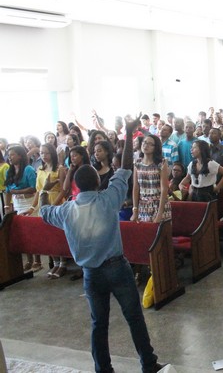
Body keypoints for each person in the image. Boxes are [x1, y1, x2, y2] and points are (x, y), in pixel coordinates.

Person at [40, 115, 166, 373]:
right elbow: (126, 168)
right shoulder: (108, 199)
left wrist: (43, 194)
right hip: (117, 268)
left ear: (77, 186)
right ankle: (149, 364)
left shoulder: (66, 211)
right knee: (134, 318)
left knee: (99, 324)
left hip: (90, 274)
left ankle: (103, 369)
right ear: (98, 182)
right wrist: (129, 134)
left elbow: (44, 212)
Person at [24, 143, 67, 277]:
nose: (44, 155)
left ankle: (63, 264)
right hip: (43, 202)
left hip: (56, 202)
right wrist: (33, 207)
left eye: (47, 153)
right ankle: (55, 263)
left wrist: (52, 206)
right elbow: (38, 190)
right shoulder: (40, 169)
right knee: (48, 235)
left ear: (52, 154)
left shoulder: (60, 169)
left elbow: (63, 190)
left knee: (58, 235)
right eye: (42, 153)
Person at [4, 145, 38, 271]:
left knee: (32, 232)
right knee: (23, 234)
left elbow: (33, 188)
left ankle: (38, 261)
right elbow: (8, 191)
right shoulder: (10, 171)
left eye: (12, 155)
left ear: (20, 156)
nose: (10, 157)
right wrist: (7, 206)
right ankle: (29, 260)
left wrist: (17, 191)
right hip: (17, 203)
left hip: (29, 202)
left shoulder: (28, 169)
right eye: (8, 155)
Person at [131, 135, 171, 223]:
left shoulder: (161, 163)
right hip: (143, 205)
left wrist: (159, 213)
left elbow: (164, 189)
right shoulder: (137, 163)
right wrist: (135, 209)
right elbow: (136, 187)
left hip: (159, 204)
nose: (146, 145)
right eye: (144, 142)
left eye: (150, 144)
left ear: (155, 147)